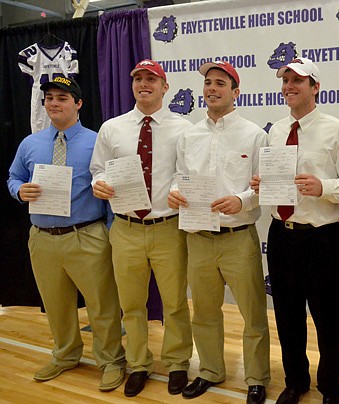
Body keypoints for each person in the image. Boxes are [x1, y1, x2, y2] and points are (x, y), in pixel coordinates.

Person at [251, 57, 339, 404]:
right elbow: (276, 179)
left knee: (328, 317)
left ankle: (331, 386)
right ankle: (296, 381)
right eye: (285, 81)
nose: (289, 87)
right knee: (286, 313)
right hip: (282, 233)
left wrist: (323, 187)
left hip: (321, 237)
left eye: (298, 81)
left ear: (315, 87)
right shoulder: (276, 131)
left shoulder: (338, 129)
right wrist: (262, 184)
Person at [7, 76, 126, 392]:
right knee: (56, 304)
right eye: (49, 98)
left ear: (78, 103)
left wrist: (112, 231)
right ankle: (65, 354)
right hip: (43, 237)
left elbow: (111, 188)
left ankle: (112, 360)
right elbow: (13, 176)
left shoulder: (97, 140)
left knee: (102, 305)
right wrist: (19, 190)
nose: (54, 103)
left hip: (86, 234)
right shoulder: (31, 144)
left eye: (62, 97)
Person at [168, 61, 270, 403]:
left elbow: (265, 184)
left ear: (235, 92)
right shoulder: (189, 135)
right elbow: (179, 176)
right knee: (205, 313)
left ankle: (256, 377)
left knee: (253, 313)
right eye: (208, 83)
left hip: (238, 237)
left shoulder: (255, 134)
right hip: (198, 237)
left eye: (220, 83)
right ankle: (210, 370)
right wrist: (174, 192)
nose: (212, 88)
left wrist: (242, 200)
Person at [90, 59, 193, 397]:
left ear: (165, 87)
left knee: (174, 302)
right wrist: (100, 183)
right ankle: (138, 363)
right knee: (131, 304)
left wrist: (180, 188)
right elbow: (98, 170)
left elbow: (185, 171)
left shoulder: (183, 128)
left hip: (168, 226)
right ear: (132, 85)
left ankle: (177, 362)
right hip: (125, 228)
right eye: (138, 79)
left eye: (152, 79)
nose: (144, 84)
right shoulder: (112, 128)